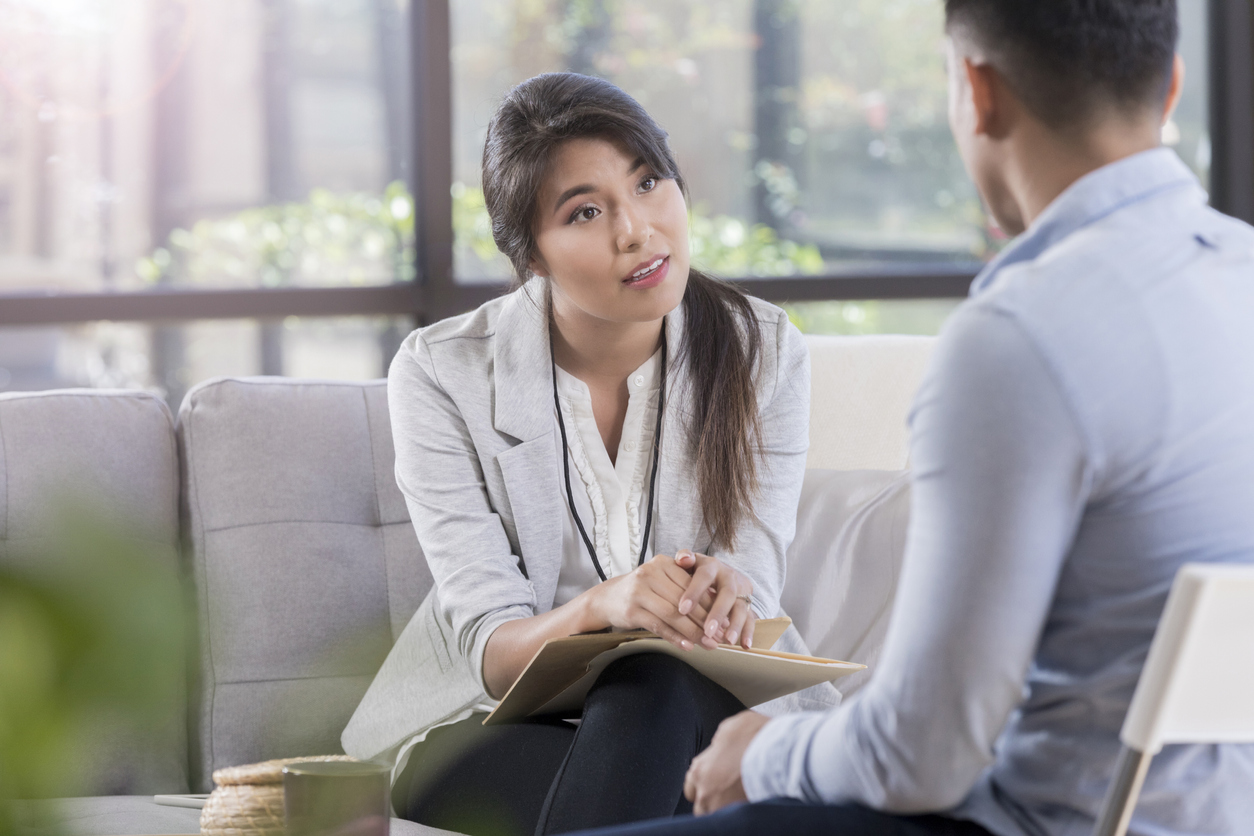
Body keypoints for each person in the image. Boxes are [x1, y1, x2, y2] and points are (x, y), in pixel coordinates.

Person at [569, 2, 1254, 835]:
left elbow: (925, 753)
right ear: (1173, 85)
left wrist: (764, 754)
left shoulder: (1019, 339)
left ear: (978, 90)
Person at [340, 72, 836, 836]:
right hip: (490, 728)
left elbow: (753, 588)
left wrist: (725, 597)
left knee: (659, 676)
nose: (636, 229)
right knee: (670, 764)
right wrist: (602, 608)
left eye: (647, 182)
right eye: (585, 212)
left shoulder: (762, 350)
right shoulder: (441, 372)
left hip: (694, 711)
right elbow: (489, 650)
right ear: (529, 254)